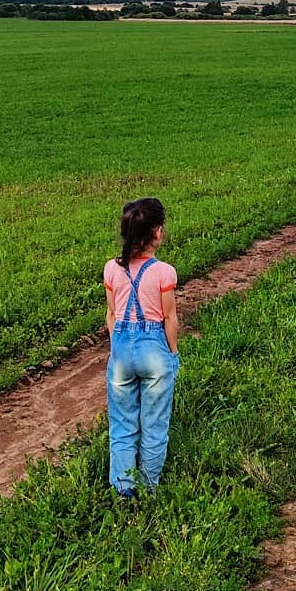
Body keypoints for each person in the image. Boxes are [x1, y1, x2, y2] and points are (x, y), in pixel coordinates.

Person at [104, 196, 180, 499]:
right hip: (155, 351)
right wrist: (172, 354)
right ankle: (149, 488)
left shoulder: (112, 269)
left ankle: (124, 491)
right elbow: (169, 318)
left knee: (122, 425)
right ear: (157, 232)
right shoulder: (164, 273)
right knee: (154, 425)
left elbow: (112, 315)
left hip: (121, 352)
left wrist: (117, 347)